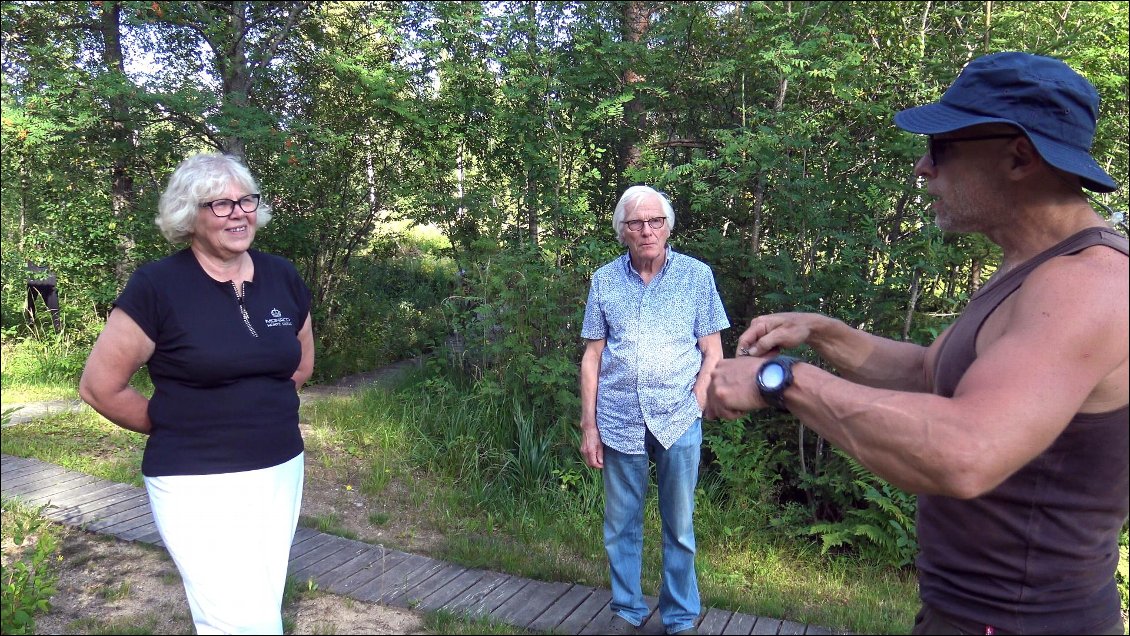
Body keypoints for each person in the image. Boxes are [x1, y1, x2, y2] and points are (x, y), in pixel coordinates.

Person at [705, 52, 1127, 635]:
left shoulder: (1088, 284)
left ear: (1019, 156)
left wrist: (781, 381)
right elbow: (931, 371)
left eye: (943, 147)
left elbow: (966, 451)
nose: (923, 167)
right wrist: (825, 332)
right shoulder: (1031, 270)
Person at [79, 152, 315, 635]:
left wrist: (256, 413)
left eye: (245, 200)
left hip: (279, 469)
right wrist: (177, 422)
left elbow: (301, 363)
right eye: (221, 205)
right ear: (190, 215)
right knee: (244, 621)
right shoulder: (158, 287)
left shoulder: (282, 276)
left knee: (260, 600)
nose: (239, 213)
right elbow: (100, 387)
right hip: (195, 479)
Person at [579, 185, 730, 635]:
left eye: (655, 221)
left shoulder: (696, 276)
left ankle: (680, 616)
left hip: (678, 417)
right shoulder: (604, 280)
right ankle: (627, 611)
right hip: (619, 417)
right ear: (622, 232)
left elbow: (714, 350)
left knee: (679, 527)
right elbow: (592, 356)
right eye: (636, 224)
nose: (647, 230)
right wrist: (589, 425)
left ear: (668, 226)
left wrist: (700, 398)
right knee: (621, 523)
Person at [25, 254, 62, 333]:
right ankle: (31, 326)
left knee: (53, 301)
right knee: (31, 299)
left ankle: (57, 328)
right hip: (33, 269)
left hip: (47, 270)